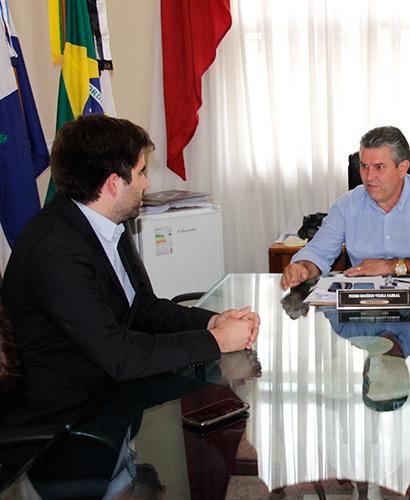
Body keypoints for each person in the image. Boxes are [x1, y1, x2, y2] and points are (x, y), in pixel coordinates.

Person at [0, 114, 260, 429]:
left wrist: (211, 320)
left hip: (112, 400)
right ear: (113, 183)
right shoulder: (53, 247)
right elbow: (120, 356)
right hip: (64, 428)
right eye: (140, 173)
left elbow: (143, 309)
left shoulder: (107, 223)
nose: (146, 183)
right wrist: (216, 340)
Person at [280, 126, 410, 290]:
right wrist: (303, 267)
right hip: (365, 307)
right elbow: (319, 252)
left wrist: (391, 266)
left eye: (379, 167)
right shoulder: (347, 205)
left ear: (402, 168)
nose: (369, 177)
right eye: (364, 166)